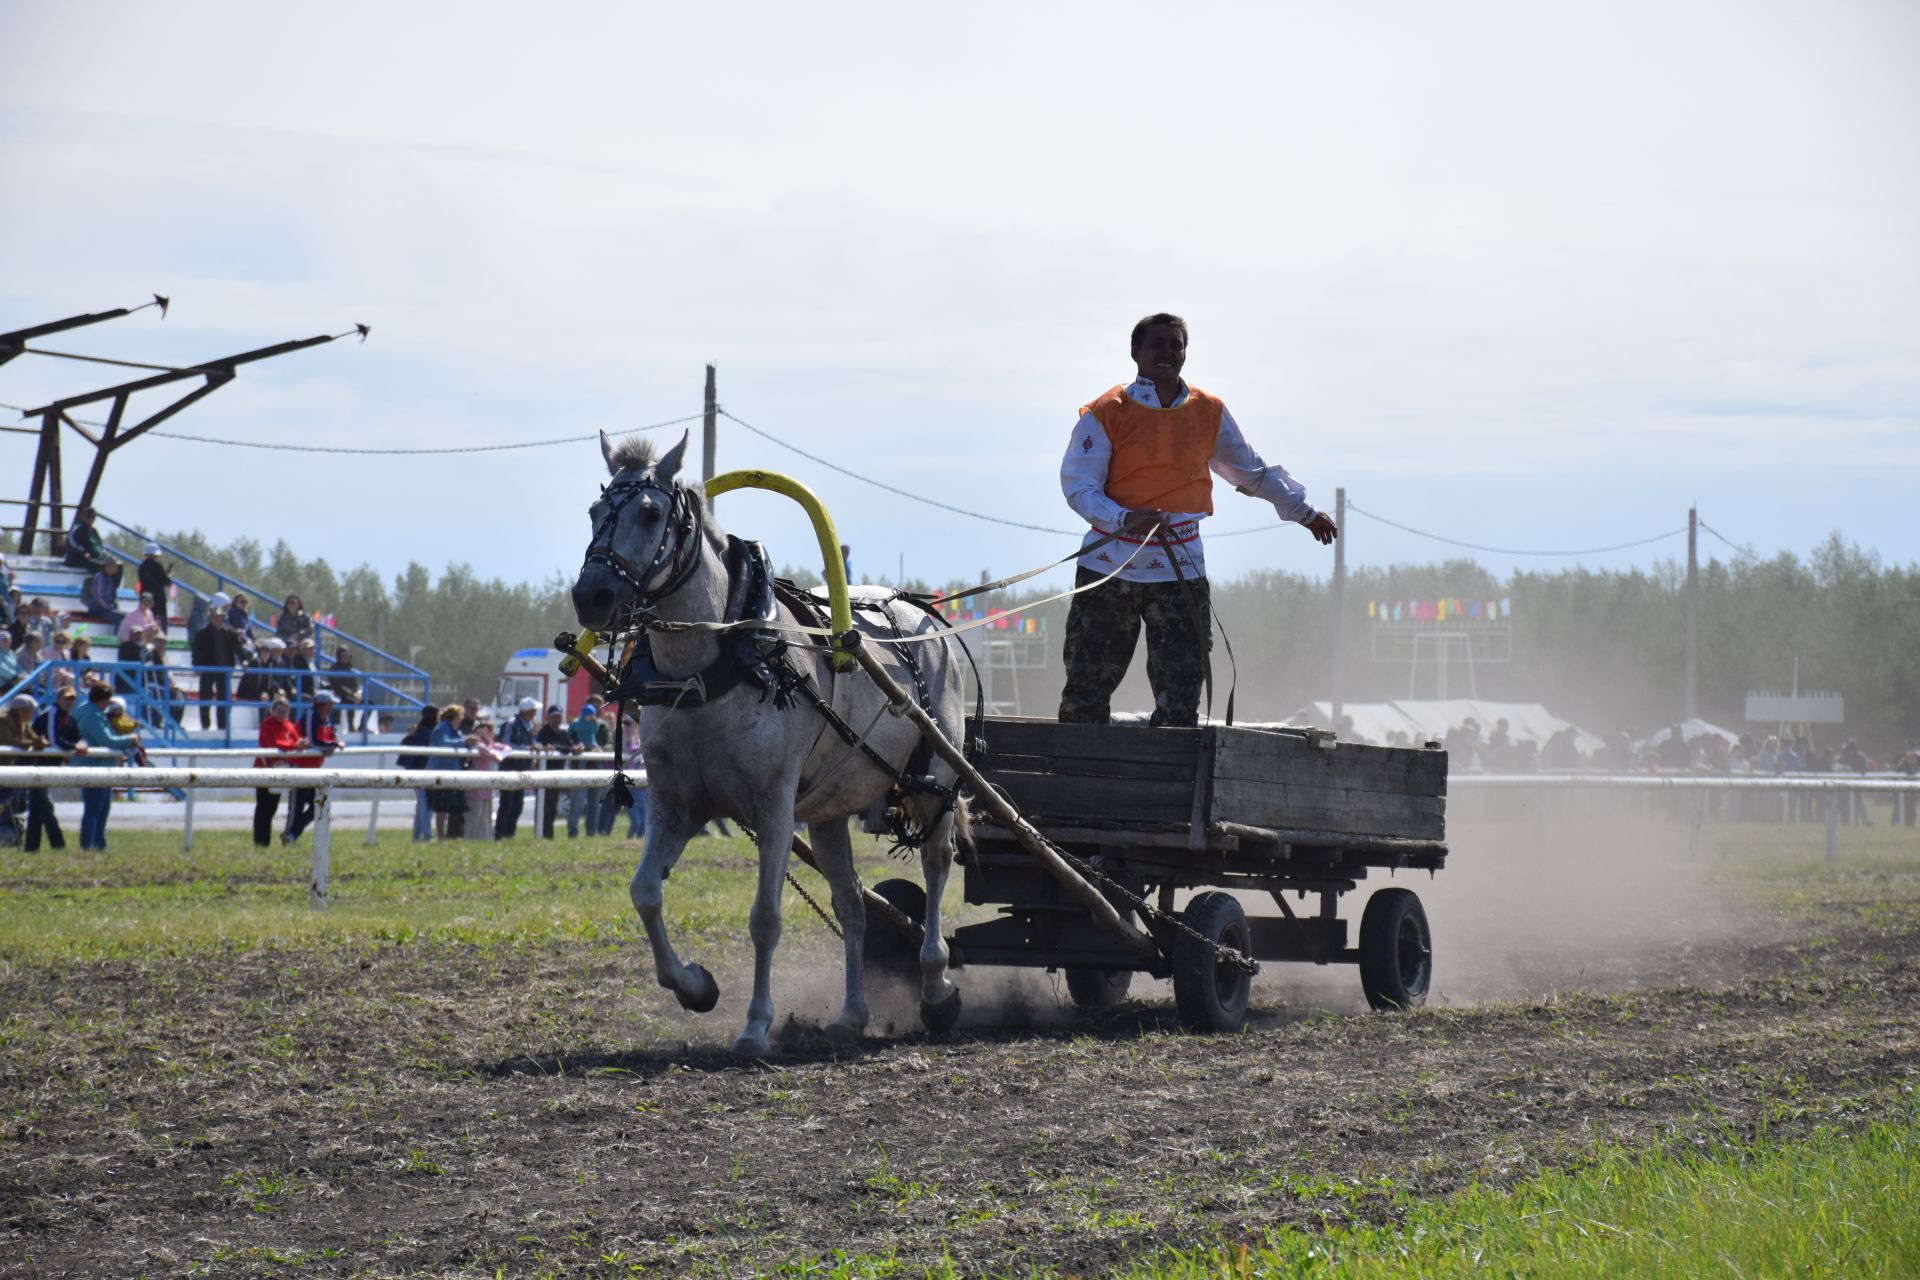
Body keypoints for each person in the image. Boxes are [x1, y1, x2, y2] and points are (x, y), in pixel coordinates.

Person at [1057, 312, 1335, 726]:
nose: (1167, 353)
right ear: (1136, 352)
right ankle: (1075, 777)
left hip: (1179, 566)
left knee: (1181, 694)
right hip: (1109, 566)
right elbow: (1079, 487)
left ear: (1185, 353)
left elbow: (1250, 473)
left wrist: (1304, 513)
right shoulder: (1105, 412)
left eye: (1176, 345)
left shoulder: (1208, 411)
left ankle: (1175, 785)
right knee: (1086, 688)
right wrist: (1123, 517)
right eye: (1157, 345)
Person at [72, 681, 140, 851]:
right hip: (95, 767)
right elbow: (106, 740)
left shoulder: (87, 711)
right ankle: (89, 846)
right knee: (95, 809)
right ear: (102, 700)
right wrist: (129, 739)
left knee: (101, 808)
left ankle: (97, 844)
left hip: (99, 766)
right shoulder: (93, 717)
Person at [1, 693, 63, 851]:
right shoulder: (3, 720)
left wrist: (39, 742)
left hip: (9, 772)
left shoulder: (23, 722)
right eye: (29, 711)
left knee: (11, 804)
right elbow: (8, 741)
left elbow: (33, 739)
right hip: (4, 772)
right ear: (20, 710)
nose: (31, 714)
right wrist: (33, 743)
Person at [281, 689, 341, 845]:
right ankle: (289, 835)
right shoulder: (310, 716)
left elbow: (331, 738)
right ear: (322, 704)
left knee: (318, 803)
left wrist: (332, 744)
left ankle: (291, 834)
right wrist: (333, 745)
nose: (332, 706)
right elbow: (313, 741)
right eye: (330, 703)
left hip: (314, 769)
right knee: (297, 806)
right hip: (300, 768)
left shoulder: (327, 719)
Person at [252, 696, 306, 847]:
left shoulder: (288, 725)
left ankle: (264, 842)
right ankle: (260, 842)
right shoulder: (267, 725)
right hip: (264, 771)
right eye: (279, 710)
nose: (282, 714)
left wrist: (300, 743)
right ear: (272, 711)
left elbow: (295, 740)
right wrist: (296, 746)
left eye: (285, 711)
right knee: (263, 808)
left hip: (279, 771)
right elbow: (275, 744)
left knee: (272, 807)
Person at [190, 606, 243, 730]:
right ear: (210, 618)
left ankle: (222, 725)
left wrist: (244, 659)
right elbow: (196, 652)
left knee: (224, 698)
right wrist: (196, 665)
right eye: (215, 617)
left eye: (220, 617)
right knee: (205, 697)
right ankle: (205, 725)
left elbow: (238, 649)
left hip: (224, 670)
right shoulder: (202, 634)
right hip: (208, 669)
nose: (217, 620)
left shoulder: (230, 633)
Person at [494, 697, 539, 839]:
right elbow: (505, 745)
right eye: (533, 710)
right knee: (506, 804)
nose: (535, 713)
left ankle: (510, 835)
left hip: (522, 769)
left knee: (517, 805)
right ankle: (500, 835)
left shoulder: (528, 726)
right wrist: (527, 749)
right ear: (527, 711)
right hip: (509, 768)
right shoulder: (511, 724)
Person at [462, 717, 511, 839]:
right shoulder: (476, 744)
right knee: (473, 817)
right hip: (474, 787)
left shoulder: (492, 745)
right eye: (482, 731)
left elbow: (507, 748)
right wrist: (493, 752)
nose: (486, 734)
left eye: (488, 731)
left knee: (485, 817)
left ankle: (485, 840)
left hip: (487, 788)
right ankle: (469, 840)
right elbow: (483, 750)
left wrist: (496, 750)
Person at [397, 704, 440, 842]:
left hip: (416, 771)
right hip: (423, 772)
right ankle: (426, 835)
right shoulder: (428, 733)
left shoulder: (419, 731)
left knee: (421, 806)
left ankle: (417, 836)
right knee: (427, 806)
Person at [428, 704, 469, 839]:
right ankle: (440, 836)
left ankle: (451, 834)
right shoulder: (441, 728)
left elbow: (460, 742)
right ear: (455, 716)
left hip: (451, 772)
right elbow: (445, 743)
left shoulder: (456, 731)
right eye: (460, 715)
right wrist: (465, 741)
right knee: (441, 808)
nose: (462, 718)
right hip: (439, 772)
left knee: (450, 806)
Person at [534, 704, 575, 839]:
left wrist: (577, 747)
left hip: (557, 775)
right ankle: (542, 834)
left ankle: (549, 835)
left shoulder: (563, 733)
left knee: (552, 807)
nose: (557, 719)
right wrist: (569, 749)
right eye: (554, 717)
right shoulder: (544, 732)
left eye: (558, 717)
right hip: (545, 775)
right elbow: (558, 747)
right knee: (543, 807)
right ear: (548, 718)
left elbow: (570, 746)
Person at [567, 699, 604, 837]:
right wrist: (576, 747)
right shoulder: (576, 725)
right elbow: (568, 740)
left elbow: (599, 740)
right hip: (580, 765)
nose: (591, 716)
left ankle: (591, 832)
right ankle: (573, 831)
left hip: (594, 763)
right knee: (577, 801)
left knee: (595, 802)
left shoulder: (596, 725)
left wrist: (599, 748)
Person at [327, 646, 366, 731]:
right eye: (344, 655)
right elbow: (338, 686)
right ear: (339, 656)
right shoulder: (334, 669)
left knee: (370, 704)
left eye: (348, 656)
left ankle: (361, 727)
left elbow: (355, 684)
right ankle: (350, 726)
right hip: (340, 696)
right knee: (350, 702)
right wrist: (353, 694)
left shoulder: (350, 669)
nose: (346, 658)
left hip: (352, 695)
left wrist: (358, 693)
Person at [136, 544, 172, 633]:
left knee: (144, 619)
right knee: (162, 622)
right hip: (158, 598)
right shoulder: (158, 566)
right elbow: (166, 582)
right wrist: (168, 576)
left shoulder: (141, 567)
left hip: (145, 597)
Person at [62, 506, 108, 573]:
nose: (90, 518)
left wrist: (103, 553)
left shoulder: (94, 531)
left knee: (116, 565)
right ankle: (97, 582)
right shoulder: (77, 529)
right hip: (79, 559)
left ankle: (111, 583)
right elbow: (72, 542)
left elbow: (99, 544)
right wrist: (83, 552)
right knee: (100, 566)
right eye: (88, 516)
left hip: (95, 558)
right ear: (83, 517)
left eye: (92, 516)